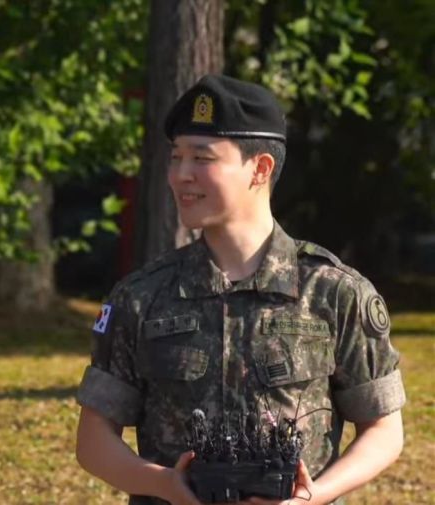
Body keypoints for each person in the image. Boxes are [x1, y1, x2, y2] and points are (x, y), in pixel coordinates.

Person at [75, 75, 405, 505]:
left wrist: (310, 497)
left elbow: (383, 429)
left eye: (202, 158)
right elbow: (94, 441)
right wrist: (164, 485)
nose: (181, 175)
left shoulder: (334, 294)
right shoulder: (141, 298)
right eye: (176, 157)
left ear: (260, 169)